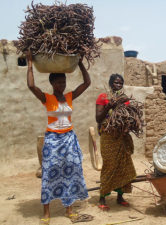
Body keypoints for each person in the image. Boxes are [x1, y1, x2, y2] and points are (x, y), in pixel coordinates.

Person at [26, 51, 90, 224]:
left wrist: (80, 63)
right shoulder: (47, 98)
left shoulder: (70, 96)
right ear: (52, 83)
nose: (62, 85)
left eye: (64, 82)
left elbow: (87, 83)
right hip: (53, 140)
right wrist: (30, 63)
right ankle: (46, 213)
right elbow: (31, 86)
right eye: (59, 82)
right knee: (49, 173)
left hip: (69, 138)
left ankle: (69, 209)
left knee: (70, 172)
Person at [95, 74, 136, 210]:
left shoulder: (125, 100)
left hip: (121, 137)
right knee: (109, 165)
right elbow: (98, 118)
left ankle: (120, 197)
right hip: (108, 136)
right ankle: (102, 196)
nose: (118, 85)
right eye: (116, 83)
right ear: (110, 83)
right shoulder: (103, 97)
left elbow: (128, 117)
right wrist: (108, 107)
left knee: (122, 166)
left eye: (120, 83)